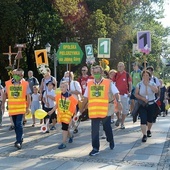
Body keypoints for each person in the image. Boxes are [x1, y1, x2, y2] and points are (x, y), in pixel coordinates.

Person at [80, 65, 122, 156]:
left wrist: (119, 102)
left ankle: (110, 139)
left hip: (105, 110)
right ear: (92, 73)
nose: (96, 74)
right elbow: (86, 97)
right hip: (94, 111)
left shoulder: (108, 82)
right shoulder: (90, 83)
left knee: (107, 128)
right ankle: (95, 148)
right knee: (94, 130)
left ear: (102, 73)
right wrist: (82, 108)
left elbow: (116, 92)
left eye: (98, 72)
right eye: (94, 73)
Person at [2, 68, 31, 149]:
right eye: (17, 74)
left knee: (19, 124)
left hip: (21, 108)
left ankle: (19, 141)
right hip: (12, 109)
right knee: (15, 125)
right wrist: (2, 104)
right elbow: (5, 94)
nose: (18, 76)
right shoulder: (8, 83)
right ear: (14, 74)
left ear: (22, 76)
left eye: (20, 75)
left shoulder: (25, 84)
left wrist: (28, 107)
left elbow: (28, 96)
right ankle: (19, 137)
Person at [48, 81, 78, 149]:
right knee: (65, 128)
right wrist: (52, 111)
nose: (62, 88)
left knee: (64, 128)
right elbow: (57, 105)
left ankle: (63, 143)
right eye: (61, 87)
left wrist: (75, 115)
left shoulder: (71, 97)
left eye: (63, 87)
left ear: (67, 87)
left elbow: (74, 106)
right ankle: (70, 136)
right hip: (61, 115)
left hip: (67, 115)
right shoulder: (58, 96)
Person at [135, 70, 158, 142]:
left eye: (147, 75)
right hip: (143, 104)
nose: (145, 77)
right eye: (144, 75)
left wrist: (148, 85)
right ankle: (144, 135)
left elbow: (156, 91)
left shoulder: (152, 83)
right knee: (143, 120)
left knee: (150, 120)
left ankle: (149, 130)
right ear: (142, 76)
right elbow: (136, 94)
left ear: (149, 76)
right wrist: (143, 98)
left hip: (151, 104)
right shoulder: (139, 84)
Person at [112, 62, 132, 129]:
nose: (120, 67)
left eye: (121, 66)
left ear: (124, 67)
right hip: (117, 95)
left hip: (124, 94)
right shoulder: (115, 75)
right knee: (117, 109)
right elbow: (113, 84)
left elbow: (130, 84)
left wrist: (130, 92)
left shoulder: (127, 75)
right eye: (118, 66)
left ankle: (122, 123)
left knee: (124, 110)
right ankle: (119, 118)